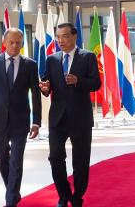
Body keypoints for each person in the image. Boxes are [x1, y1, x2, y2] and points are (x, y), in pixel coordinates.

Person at [0, 28, 41, 207]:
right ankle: (13, 190)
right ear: (4, 42)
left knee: (16, 160)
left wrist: (36, 121)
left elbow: (36, 94)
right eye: (11, 42)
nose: (15, 46)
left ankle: (10, 200)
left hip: (21, 121)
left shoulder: (30, 64)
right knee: (1, 157)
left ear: (22, 43)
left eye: (18, 43)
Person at [39, 23, 101, 207]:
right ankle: (64, 194)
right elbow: (46, 83)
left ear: (74, 37)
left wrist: (78, 80)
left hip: (80, 118)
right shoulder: (51, 59)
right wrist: (45, 88)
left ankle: (77, 196)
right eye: (58, 37)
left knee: (80, 161)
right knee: (55, 157)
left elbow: (96, 83)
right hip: (58, 118)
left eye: (64, 36)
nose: (60, 41)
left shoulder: (87, 57)